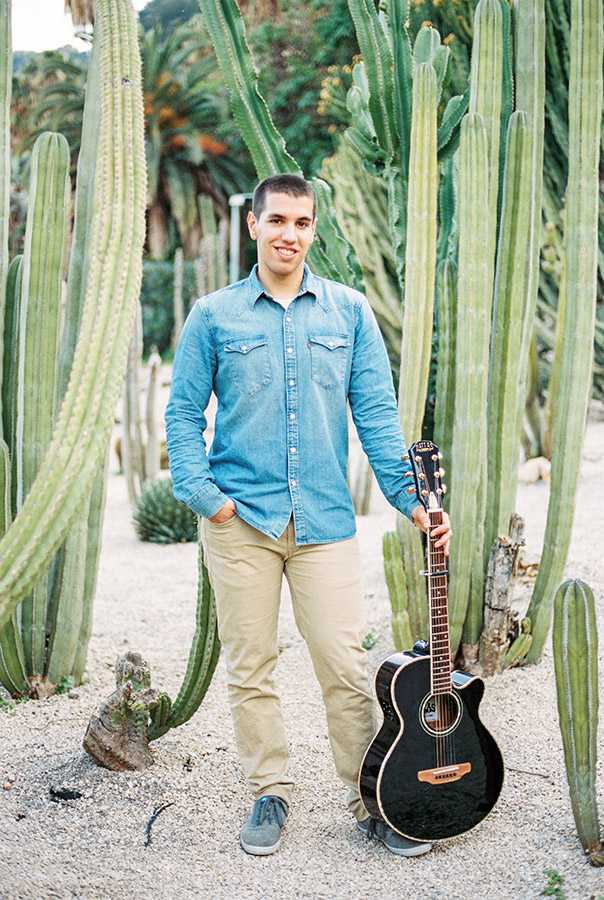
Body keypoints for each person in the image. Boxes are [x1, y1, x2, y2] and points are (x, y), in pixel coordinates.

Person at [165, 174, 452, 858]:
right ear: (254, 226)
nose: (289, 234)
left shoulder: (349, 313)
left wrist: (412, 501)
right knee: (251, 666)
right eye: (278, 221)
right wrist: (207, 497)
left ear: (313, 230)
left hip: (325, 522)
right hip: (242, 524)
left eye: (302, 223)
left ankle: (372, 799)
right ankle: (270, 792)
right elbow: (181, 414)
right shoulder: (214, 314)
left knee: (345, 668)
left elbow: (378, 418)